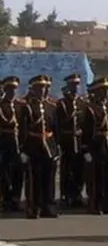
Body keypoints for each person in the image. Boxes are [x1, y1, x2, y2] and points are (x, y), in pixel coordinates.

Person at [18, 75, 59, 219]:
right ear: (33, 89)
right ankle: (33, 208)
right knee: (34, 179)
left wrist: (56, 148)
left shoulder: (51, 106)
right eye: (39, 88)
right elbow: (23, 130)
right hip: (34, 146)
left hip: (49, 145)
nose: (43, 90)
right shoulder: (27, 107)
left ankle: (49, 208)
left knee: (49, 179)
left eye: (45, 87)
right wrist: (23, 149)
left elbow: (55, 129)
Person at [82, 78, 108, 215]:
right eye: (102, 90)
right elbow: (86, 131)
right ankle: (94, 205)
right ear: (95, 92)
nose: (105, 93)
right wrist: (86, 149)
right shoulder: (90, 109)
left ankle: (107, 204)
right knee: (95, 178)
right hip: (96, 145)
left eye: (106, 90)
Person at [56, 74, 85, 208]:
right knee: (67, 169)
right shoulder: (62, 103)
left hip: (78, 139)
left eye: (77, 85)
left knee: (79, 169)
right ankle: (66, 195)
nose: (75, 87)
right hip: (67, 139)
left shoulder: (81, 102)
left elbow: (84, 122)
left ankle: (77, 194)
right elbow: (59, 123)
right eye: (73, 85)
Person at [0, 76, 24, 212]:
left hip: (18, 144)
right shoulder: (1, 106)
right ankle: (6, 199)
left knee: (18, 173)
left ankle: (16, 198)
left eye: (14, 89)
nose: (12, 92)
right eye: (9, 89)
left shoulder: (20, 105)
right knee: (5, 173)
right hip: (5, 143)